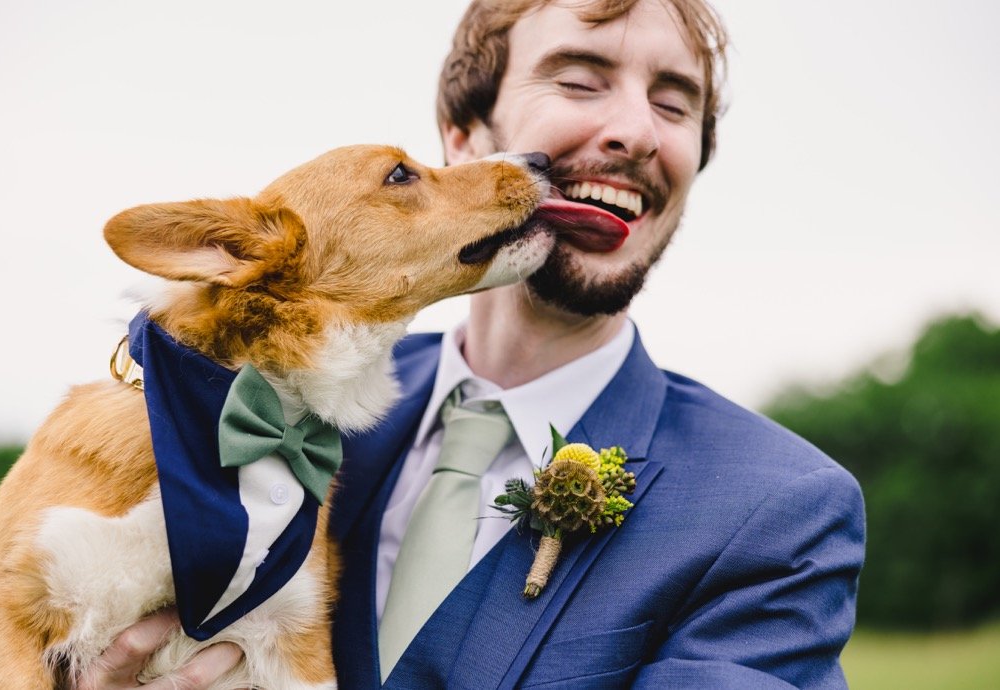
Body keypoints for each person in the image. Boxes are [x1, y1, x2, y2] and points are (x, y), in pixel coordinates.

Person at [81, 0, 864, 688]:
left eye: (674, 103)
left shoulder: (779, 514)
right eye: (581, 79)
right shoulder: (281, 414)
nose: (633, 132)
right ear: (464, 137)